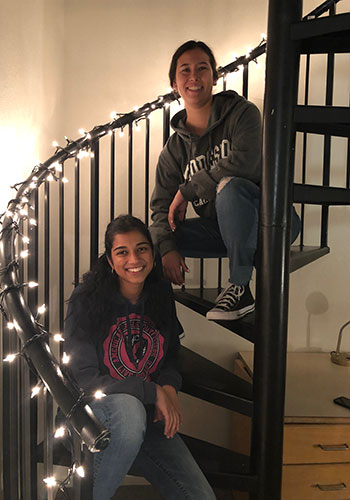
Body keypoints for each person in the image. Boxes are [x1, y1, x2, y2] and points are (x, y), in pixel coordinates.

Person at [64, 214, 216, 500]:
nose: (134, 258)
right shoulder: (86, 299)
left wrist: (169, 387)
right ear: (110, 261)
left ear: (152, 252)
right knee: (129, 411)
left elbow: (171, 353)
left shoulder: (159, 292)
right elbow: (84, 379)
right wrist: (151, 390)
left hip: (147, 420)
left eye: (142, 248)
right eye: (122, 252)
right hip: (96, 415)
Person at [150, 40, 301, 321]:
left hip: (271, 223)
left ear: (215, 76)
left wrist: (187, 191)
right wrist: (168, 248)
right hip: (221, 231)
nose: (193, 77)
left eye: (202, 68)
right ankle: (165, 331)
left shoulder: (242, 113)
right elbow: (161, 207)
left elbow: (247, 162)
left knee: (229, 188)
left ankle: (240, 286)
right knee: (150, 240)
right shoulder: (174, 148)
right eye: (185, 70)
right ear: (174, 83)